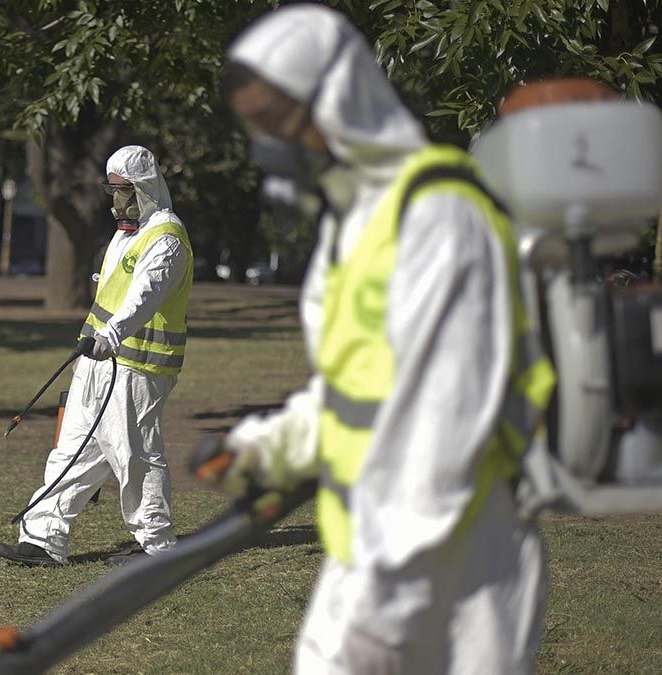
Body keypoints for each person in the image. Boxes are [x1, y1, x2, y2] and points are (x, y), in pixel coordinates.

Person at [220, 5, 554, 673]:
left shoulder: (439, 215)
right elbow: (355, 388)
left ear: (336, 99)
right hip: (372, 549)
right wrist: (271, 447)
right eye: (255, 129)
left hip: (458, 562)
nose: (268, 145)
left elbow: (441, 422)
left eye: (277, 122)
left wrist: (389, 603)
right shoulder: (352, 223)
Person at [0, 145, 194, 568]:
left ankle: (157, 547)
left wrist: (112, 336)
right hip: (95, 361)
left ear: (144, 188)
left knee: (134, 453)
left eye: (122, 190)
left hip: (137, 366)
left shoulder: (167, 238)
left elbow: (144, 296)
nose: (115, 200)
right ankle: (43, 538)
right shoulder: (126, 235)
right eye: (111, 191)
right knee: (72, 449)